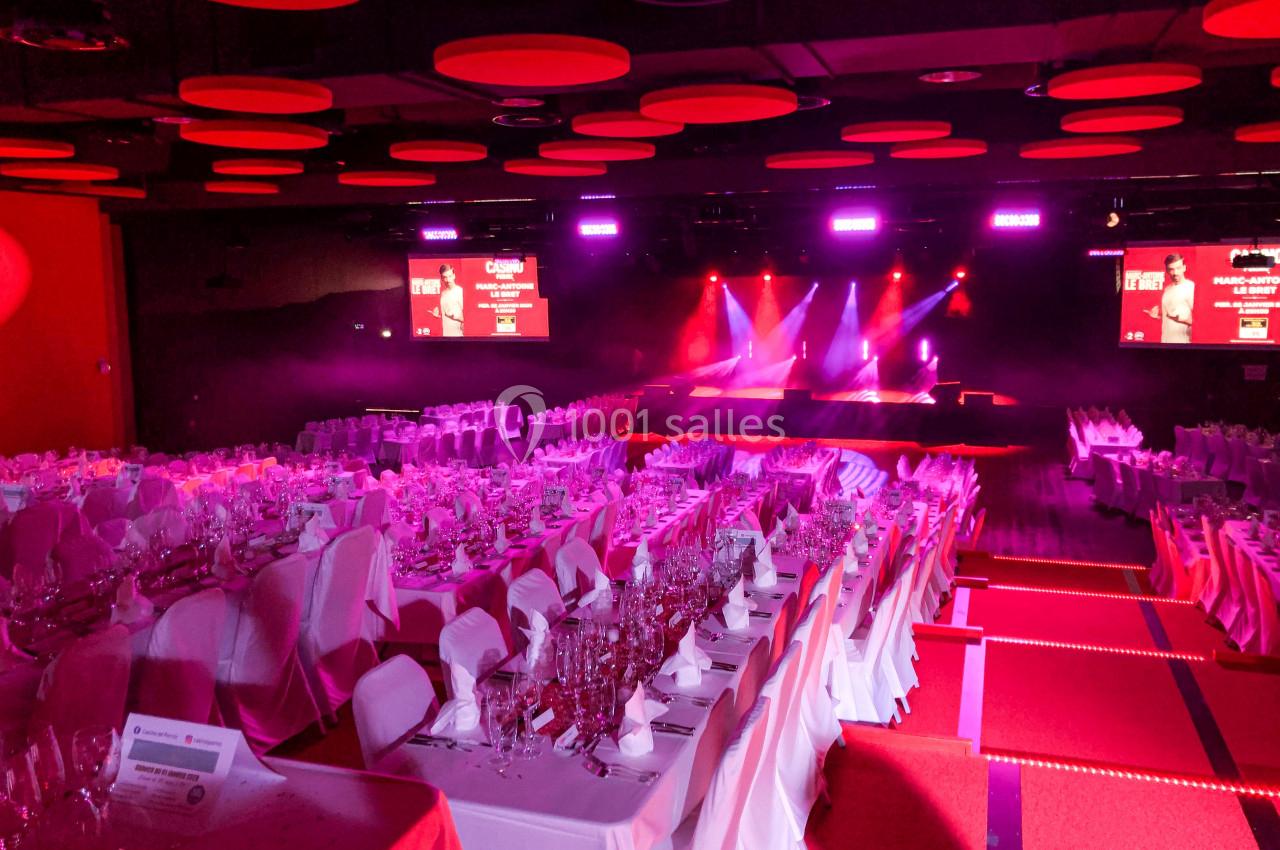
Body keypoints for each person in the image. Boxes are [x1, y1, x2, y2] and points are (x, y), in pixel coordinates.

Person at [1143, 253, 1194, 344]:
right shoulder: (1167, 289)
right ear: (1167, 270)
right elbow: (1170, 314)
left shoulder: (1191, 287)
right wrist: (1158, 315)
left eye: (1178, 268)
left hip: (1183, 344)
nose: (1175, 273)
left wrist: (1180, 319)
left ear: (1184, 268)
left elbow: (1200, 321)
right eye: (1171, 269)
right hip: (1166, 342)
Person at [437, 264, 464, 337]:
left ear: (454, 276)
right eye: (445, 277)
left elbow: (469, 317)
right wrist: (438, 315)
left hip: (458, 335)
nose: (448, 280)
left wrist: (456, 318)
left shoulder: (460, 292)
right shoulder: (443, 293)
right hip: (446, 335)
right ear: (442, 278)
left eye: (450, 276)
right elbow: (446, 314)